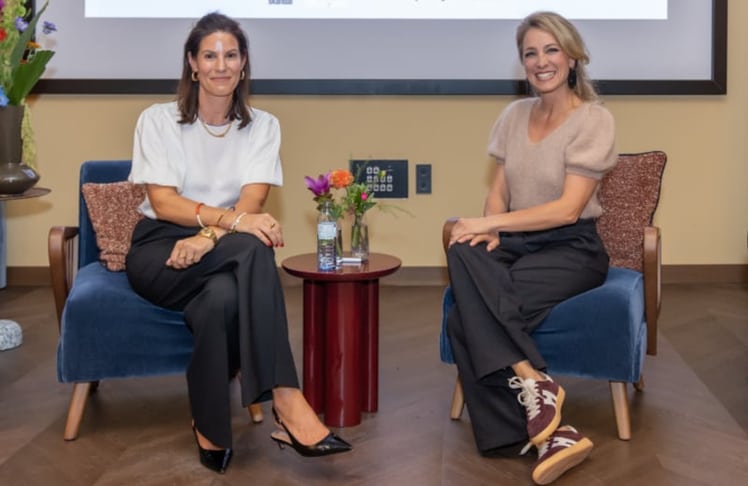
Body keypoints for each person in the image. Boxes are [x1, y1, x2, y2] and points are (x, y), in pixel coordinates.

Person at [125, 12, 351, 474]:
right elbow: (164, 203)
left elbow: (254, 200)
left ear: (244, 64)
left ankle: (210, 424)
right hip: (161, 249)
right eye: (209, 55)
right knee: (254, 244)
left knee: (223, 297)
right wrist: (221, 228)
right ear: (192, 64)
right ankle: (287, 400)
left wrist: (208, 237)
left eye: (231, 55)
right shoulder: (158, 120)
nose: (220, 65)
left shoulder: (263, 126)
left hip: (221, 248)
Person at [445, 11, 617, 485]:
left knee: (465, 317)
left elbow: (566, 210)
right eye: (530, 53)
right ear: (522, 63)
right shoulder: (513, 115)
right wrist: (487, 227)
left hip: (572, 246)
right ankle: (537, 390)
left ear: (572, 55)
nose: (541, 62)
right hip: (517, 240)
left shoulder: (594, 119)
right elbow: (498, 192)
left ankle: (531, 429)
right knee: (462, 246)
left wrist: (490, 222)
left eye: (551, 50)